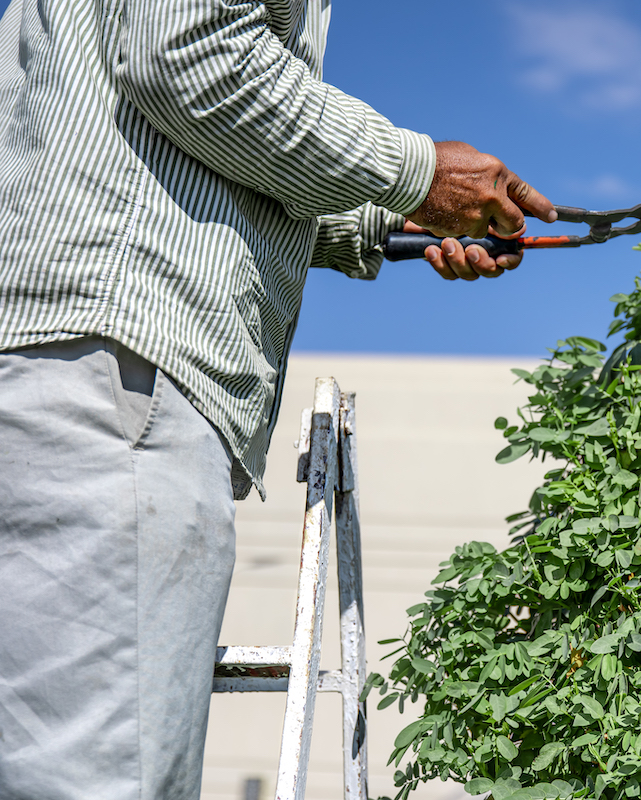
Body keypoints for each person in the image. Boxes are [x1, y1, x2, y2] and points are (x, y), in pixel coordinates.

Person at [0, 1, 554, 798]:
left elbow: (199, 137)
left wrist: (398, 214)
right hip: (117, 369)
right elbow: (187, 56)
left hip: (60, 361)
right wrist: (419, 171)